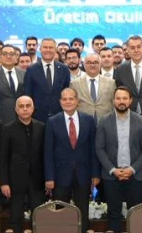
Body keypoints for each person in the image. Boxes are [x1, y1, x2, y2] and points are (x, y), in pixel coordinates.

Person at [96, 87, 142, 232]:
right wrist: (113, 170)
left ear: (130, 100)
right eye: (118, 98)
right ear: (113, 100)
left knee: (135, 216)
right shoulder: (104, 121)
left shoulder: (141, 120)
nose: (121, 101)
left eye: (125, 98)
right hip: (111, 176)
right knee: (113, 214)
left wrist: (132, 169)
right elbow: (99, 149)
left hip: (135, 175)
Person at [44, 88, 99, 233]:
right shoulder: (52, 121)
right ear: (60, 102)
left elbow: (93, 149)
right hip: (60, 175)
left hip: (83, 174)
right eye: (64, 99)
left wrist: (95, 174)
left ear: (77, 101)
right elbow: (48, 151)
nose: (68, 102)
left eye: (71, 99)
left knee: (82, 212)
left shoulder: (88, 120)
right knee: (61, 212)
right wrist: (49, 177)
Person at [0, 96, 46, 233]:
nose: (25, 109)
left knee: (39, 216)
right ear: (16, 109)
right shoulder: (7, 128)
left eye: (28, 105)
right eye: (21, 106)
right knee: (15, 216)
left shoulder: (42, 127)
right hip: (15, 180)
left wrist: (48, 179)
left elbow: (45, 155)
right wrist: (4, 182)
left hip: (37, 180)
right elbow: (3, 158)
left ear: (33, 108)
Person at [26, 37, 71, 122]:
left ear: (55, 50)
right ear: (40, 49)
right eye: (45, 47)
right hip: (37, 117)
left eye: (51, 47)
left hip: (60, 115)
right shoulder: (31, 69)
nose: (48, 50)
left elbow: (67, 91)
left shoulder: (64, 69)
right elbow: (28, 93)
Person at [0, 44, 24, 124]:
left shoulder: (23, 74)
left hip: (22, 119)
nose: (8, 56)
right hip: (1, 121)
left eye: (11, 54)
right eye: (5, 54)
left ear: (16, 57)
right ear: (0, 57)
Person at [72, 53, 116, 119]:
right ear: (84, 65)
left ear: (100, 64)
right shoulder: (74, 84)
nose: (92, 65)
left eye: (95, 62)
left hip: (106, 120)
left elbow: (114, 103)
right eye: (89, 63)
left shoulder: (111, 83)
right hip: (83, 121)